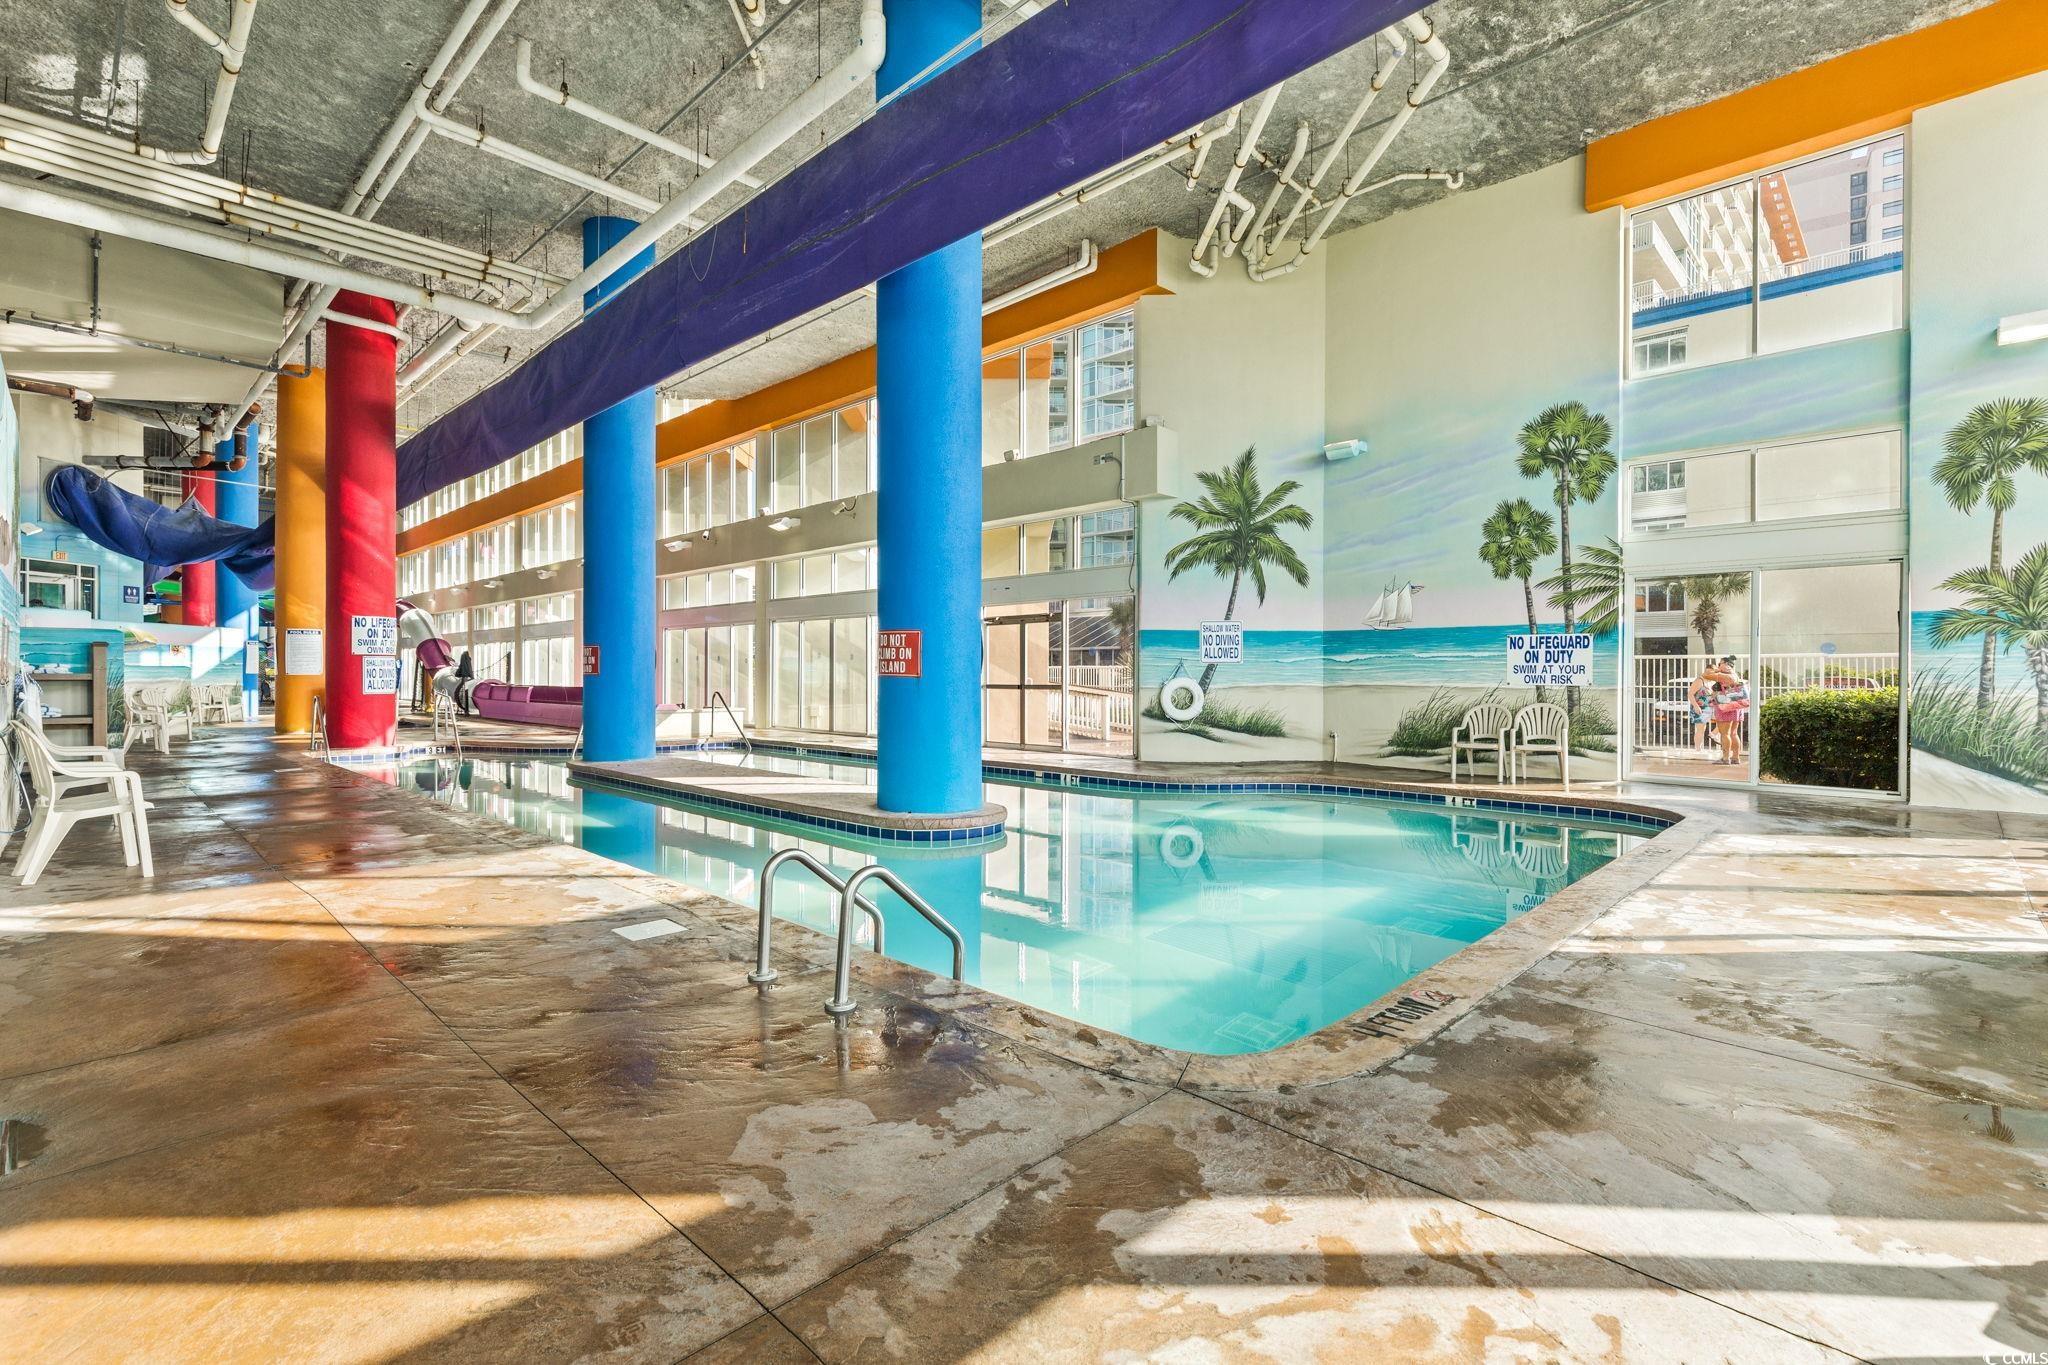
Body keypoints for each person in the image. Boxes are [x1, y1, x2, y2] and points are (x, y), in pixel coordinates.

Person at [1710, 655, 1749, 766]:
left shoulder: (1724, 676)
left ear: (1726, 664)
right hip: (1736, 705)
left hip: (1725, 706)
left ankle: (1725, 758)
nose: (1718, 665)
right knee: (1733, 733)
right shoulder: (1735, 675)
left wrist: (1716, 670)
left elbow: (1707, 675)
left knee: (1724, 734)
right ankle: (1736, 757)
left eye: (1720, 663)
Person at [1686, 663, 1719, 753]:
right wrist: (1696, 706)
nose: (1710, 674)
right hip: (1699, 707)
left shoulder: (1712, 681)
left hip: (1709, 707)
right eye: (1708, 672)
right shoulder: (1699, 680)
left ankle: (1713, 734)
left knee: (1722, 721)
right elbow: (1690, 694)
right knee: (1701, 729)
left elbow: (1711, 695)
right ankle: (1698, 749)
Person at [454, 649, 475, 716]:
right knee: (465, 693)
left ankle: (466, 710)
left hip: (464, 678)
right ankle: (466, 711)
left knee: (464, 693)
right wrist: (472, 676)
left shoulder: (463, 660)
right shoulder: (468, 660)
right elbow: (469, 669)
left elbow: (460, 670)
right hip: (467, 678)